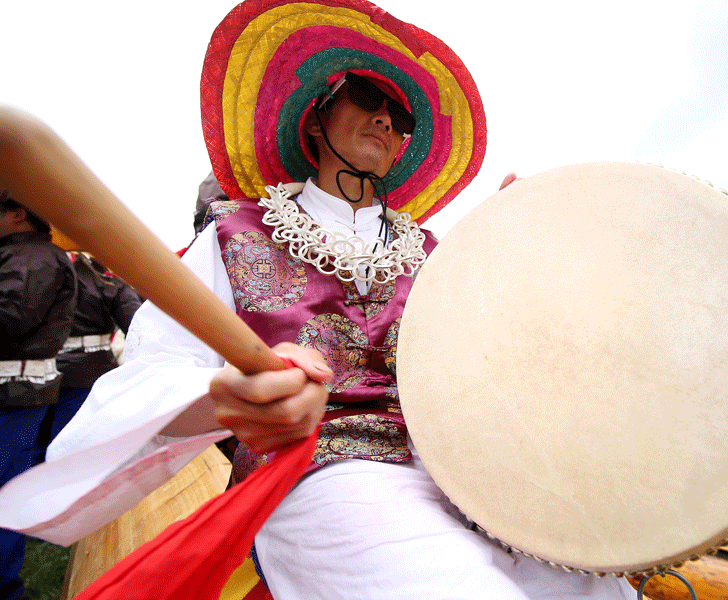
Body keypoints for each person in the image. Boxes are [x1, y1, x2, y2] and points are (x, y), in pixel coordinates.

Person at [0, 1, 633, 599]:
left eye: (402, 114)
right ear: (315, 115)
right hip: (326, 473)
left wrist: (509, 257)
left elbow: (495, 368)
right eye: (368, 96)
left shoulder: (436, 253)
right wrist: (223, 398)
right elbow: (149, 376)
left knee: (598, 585)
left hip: (471, 475)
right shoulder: (235, 234)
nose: (387, 118)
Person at [0, 190, 76, 600]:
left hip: (14, 391)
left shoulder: (32, 258)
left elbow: (10, 318)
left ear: (17, 213)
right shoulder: (21, 256)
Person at [32, 252, 142, 464]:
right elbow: (137, 328)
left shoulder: (35, 270)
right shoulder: (107, 280)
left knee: (34, 444)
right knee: (72, 444)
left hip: (35, 372)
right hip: (89, 373)